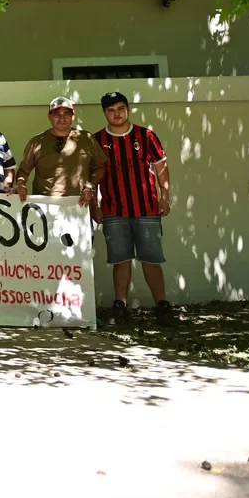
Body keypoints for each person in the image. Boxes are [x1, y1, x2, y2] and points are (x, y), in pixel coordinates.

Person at [93, 92, 176, 327]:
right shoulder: (97, 139)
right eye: (111, 110)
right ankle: (120, 306)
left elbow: (161, 166)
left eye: (120, 108)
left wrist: (165, 195)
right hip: (113, 209)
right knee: (121, 259)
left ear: (128, 109)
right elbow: (94, 174)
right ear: (105, 113)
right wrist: (94, 205)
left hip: (147, 208)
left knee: (151, 259)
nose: (116, 113)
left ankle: (162, 305)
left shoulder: (146, 135)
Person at [12, 97, 106, 208]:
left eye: (66, 114)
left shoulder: (86, 138)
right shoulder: (37, 142)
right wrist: (20, 184)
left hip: (79, 205)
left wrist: (90, 186)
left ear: (73, 116)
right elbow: (23, 171)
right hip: (45, 206)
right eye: (57, 114)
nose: (62, 118)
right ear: (49, 117)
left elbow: (100, 167)